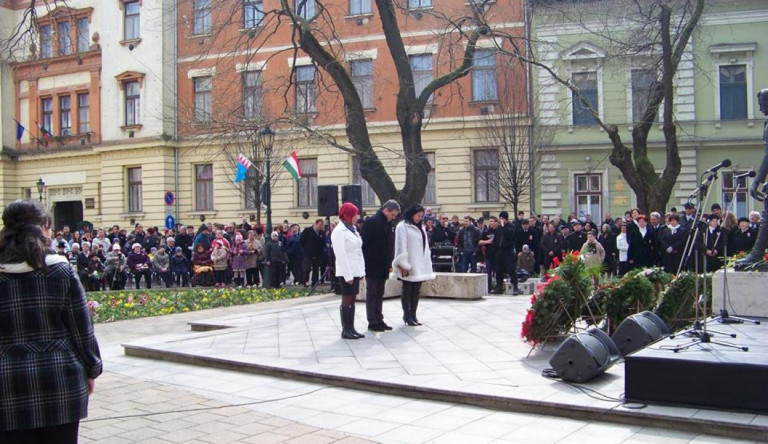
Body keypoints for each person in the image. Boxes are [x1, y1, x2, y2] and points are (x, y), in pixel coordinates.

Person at [0, 200, 102, 444]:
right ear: (42, 228)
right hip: (60, 378)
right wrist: (92, 368)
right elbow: (81, 328)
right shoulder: (60, 270)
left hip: (6, 382)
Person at [392, 204, 436, 326]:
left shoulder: (421, 227)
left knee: (416, 290)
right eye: (418, 215)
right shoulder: (402, 226)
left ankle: (414, 314)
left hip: (419, 263)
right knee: (407, 290)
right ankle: (407, 315)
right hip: (409, 263)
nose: (419, 218)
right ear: (411, 214)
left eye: (421, 216)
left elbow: (424, 246)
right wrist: (403, 264)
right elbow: (401, 246)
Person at [362, 199, 400, 332]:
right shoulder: (372, 222)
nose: (393, 217)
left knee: (380, 293)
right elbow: (365, 244)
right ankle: (372, 320)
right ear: (385, 210)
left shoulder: (389, 224)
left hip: (384, 264)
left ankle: (379, 318)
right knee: (372, 293)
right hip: (372, 263)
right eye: (393, 214)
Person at [332, 202, 367, 339]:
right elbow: (341, 255)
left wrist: (361, 272)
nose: (356, 217)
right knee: (346, 299)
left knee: (353, 299)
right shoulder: (339, 231)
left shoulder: (353, 229)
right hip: (346, 272)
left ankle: (351, 327)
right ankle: (346, 329)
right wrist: (348, 275)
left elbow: (358, 252)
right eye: (354, 215)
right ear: (347, 215)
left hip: (356, 270)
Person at [493, 211, 522, 295]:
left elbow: (510, 235)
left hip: (508, 252)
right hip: (499, 252)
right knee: (499, 270)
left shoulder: (511, 227)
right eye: (500, 218)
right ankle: (499, 287)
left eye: (502, 218)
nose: (501, 220)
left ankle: (515, 287)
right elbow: (496, 239)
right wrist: (496, 248)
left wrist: (503, 226)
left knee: (511, 269)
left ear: (506, 219)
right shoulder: (498, 228)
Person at [300, 219, 325, 287]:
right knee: (306, 269)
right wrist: (305, 250)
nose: (321, 226)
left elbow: (323, 243)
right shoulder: (307, 231)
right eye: (320, 225)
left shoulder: (322, 232)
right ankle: (305, 283)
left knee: (316, 270)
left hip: (318, 254)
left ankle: (314, 284)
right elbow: (301, 241)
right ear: (315, 224)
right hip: (308, 254)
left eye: (322, 225)